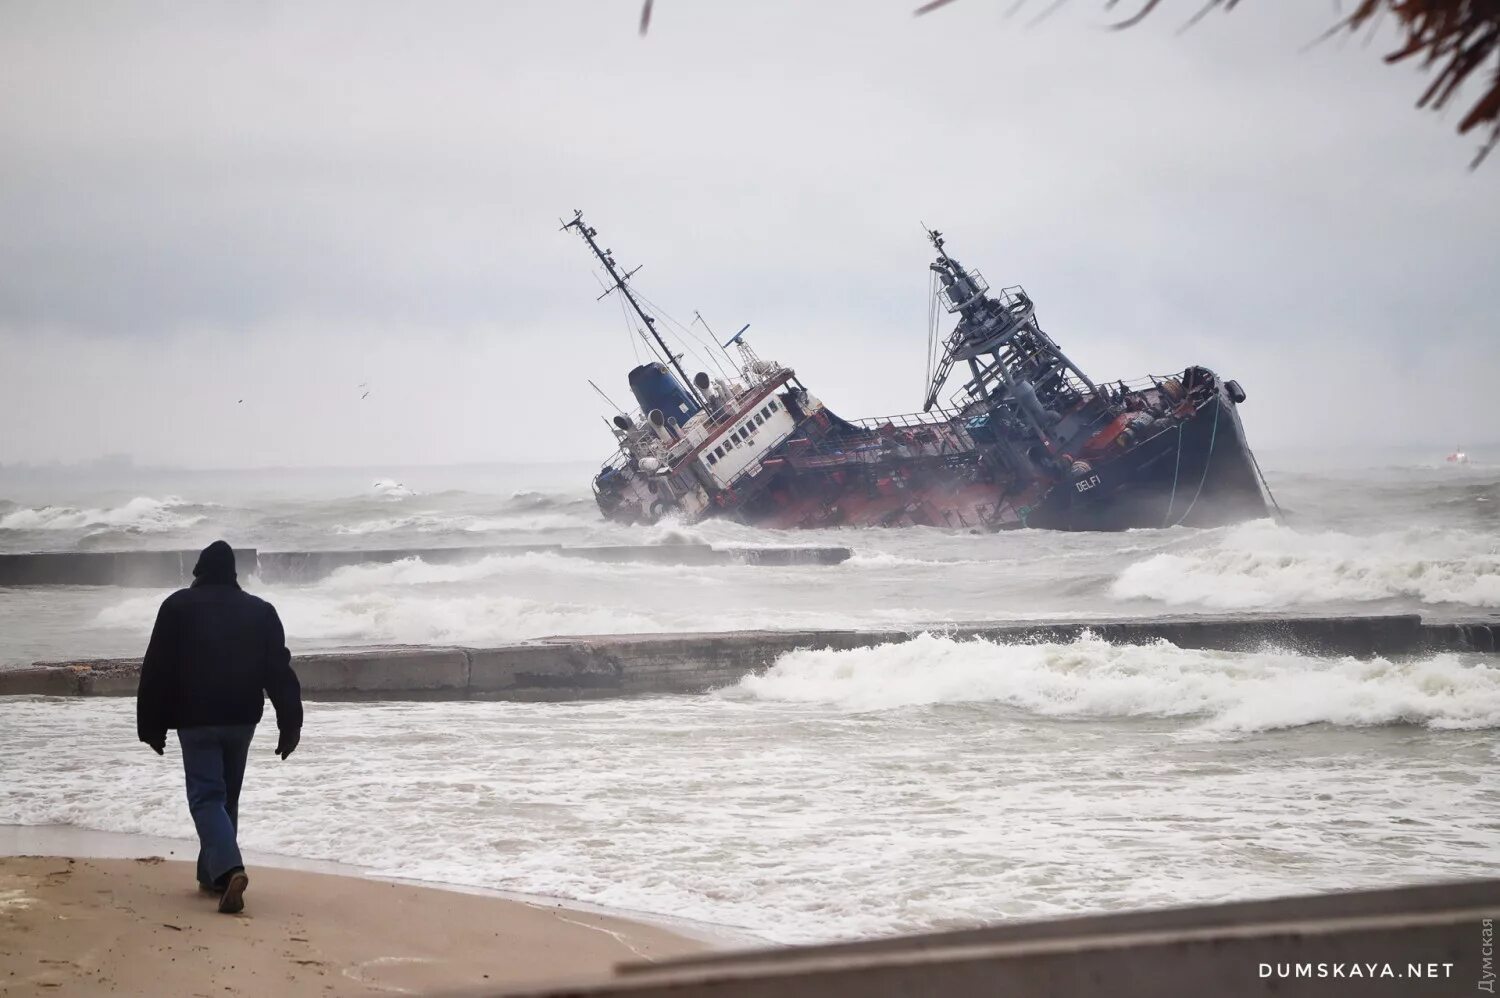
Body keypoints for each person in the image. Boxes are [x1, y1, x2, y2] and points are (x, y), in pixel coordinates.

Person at [136, 540, 302, 914]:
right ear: (234, 574)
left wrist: (151, 724)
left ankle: (229, 870)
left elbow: (157, 669)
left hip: (194, 719)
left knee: (206, 797)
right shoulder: (260, 611)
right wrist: (290, 722)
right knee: (225, 798)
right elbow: (279, 672)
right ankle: (212, 878)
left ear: (198, 572)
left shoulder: (177, 607)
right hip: (241, 718)